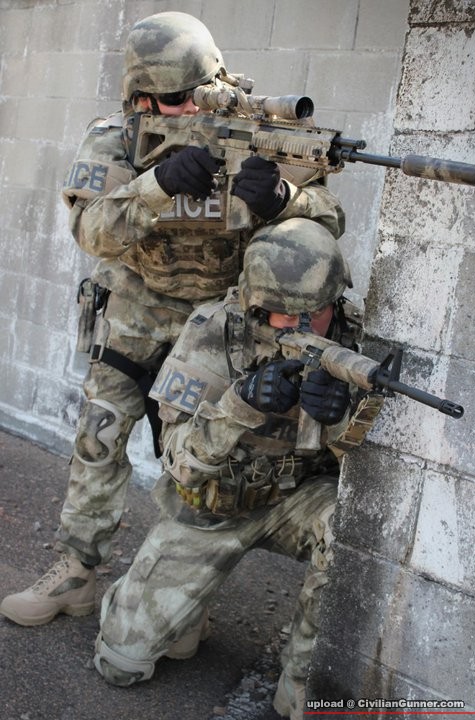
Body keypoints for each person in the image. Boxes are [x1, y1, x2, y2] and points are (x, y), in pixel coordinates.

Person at [0, 12, 345, 627]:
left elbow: (326, 223)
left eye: (199, 93)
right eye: (173, 99)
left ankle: (172, 594)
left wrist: (284, 202)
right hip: (137, 304)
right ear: (140, 98)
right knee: (100, 434)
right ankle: (76, 570)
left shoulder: (262, 132)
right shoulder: (115, 137)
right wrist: (156, 185)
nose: (189, 109)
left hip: (224, 317)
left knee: (199, 450)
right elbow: (92, 232)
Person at [92, 218, 363, 720]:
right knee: (121, 663)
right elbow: (178, 461)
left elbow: (377, 482)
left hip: (296, 500)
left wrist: (340, 421)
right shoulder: (213, 331)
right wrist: (240, 406)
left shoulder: (356, 342)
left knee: (351, 530)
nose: (303, 326)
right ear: (257, 303)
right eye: (286, 313)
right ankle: (175, 605)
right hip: (209, 509)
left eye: (316, 312)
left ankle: (301, 679)